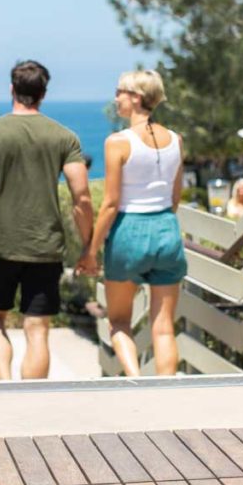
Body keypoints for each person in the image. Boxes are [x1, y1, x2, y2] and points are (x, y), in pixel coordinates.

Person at [0, 60, 93, 380]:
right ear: (43, 93)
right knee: (38, 328)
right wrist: (88, 247)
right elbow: (81, 197)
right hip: (46, 246)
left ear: (12, 89)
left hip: (3, 245)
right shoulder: (64, 137)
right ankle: (32, 399)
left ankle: (4, 385)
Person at [77, 70, 187, 376]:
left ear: (136, 98)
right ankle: (164, 392)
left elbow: (110, 204)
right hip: (166, 229)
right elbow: (175, 197)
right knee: (163, 327)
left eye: (120, 92)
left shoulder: (117, 142)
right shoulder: (176, 140)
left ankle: (136, 382)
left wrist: (91, 251)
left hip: (129, 232)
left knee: (119, 321)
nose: (116, 98)